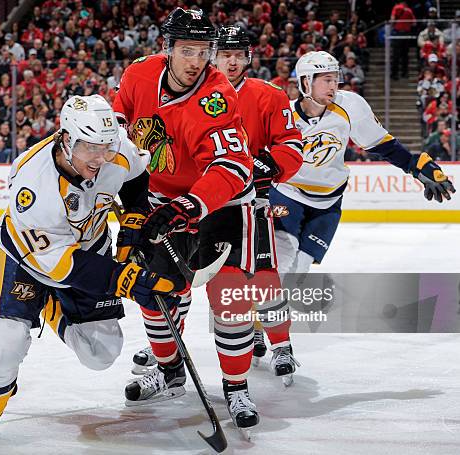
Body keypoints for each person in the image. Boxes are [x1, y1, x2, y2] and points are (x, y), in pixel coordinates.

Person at [0, 95, 177, 444]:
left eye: (106, 148)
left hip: (88, 248)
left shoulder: (114, 149)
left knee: (101, 354)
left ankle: (53, 308)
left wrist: (132, 224)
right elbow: (58, 263)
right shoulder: (33, 185)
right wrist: (124, 279)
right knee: (6, 341)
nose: (100, 159)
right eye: (90, 149)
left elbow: (136, 177)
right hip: (26, 259)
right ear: (67, 140)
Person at [113, 8, 259, 429]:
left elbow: (232, 167)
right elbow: (119, 126)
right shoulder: (139, 74)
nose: (197, 61)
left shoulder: (217, 97)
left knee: (229, 298)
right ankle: (170, 371)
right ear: (168, 48)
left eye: (203, 51)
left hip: (222, 204)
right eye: (187, 50)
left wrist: (190, 207)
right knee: (155, 296)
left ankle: (236, 387)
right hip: (159, 199)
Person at [269, 51, 455, 280]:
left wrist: (414, 165)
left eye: (335, 79)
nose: (333, 86)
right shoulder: (282, 114)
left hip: (329, 201)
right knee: (283, 254)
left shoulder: (350, 106)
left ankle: (276, 311)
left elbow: (381, 143)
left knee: (301, 267)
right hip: (288, 192)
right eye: (326, 80)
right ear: (306, 81)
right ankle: (266, 310)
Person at [215, 25, 304, 380]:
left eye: (239, 55)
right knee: (190, 280)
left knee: (264, 278)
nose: (232, 62)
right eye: (225, 54)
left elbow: (291, 145)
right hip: (206, 203)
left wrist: (274, 163)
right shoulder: (193, 96)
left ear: (248, 57)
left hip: (252, 203)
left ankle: (281, 344)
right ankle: (164, 351)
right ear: (213, 56)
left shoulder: (270, 95)